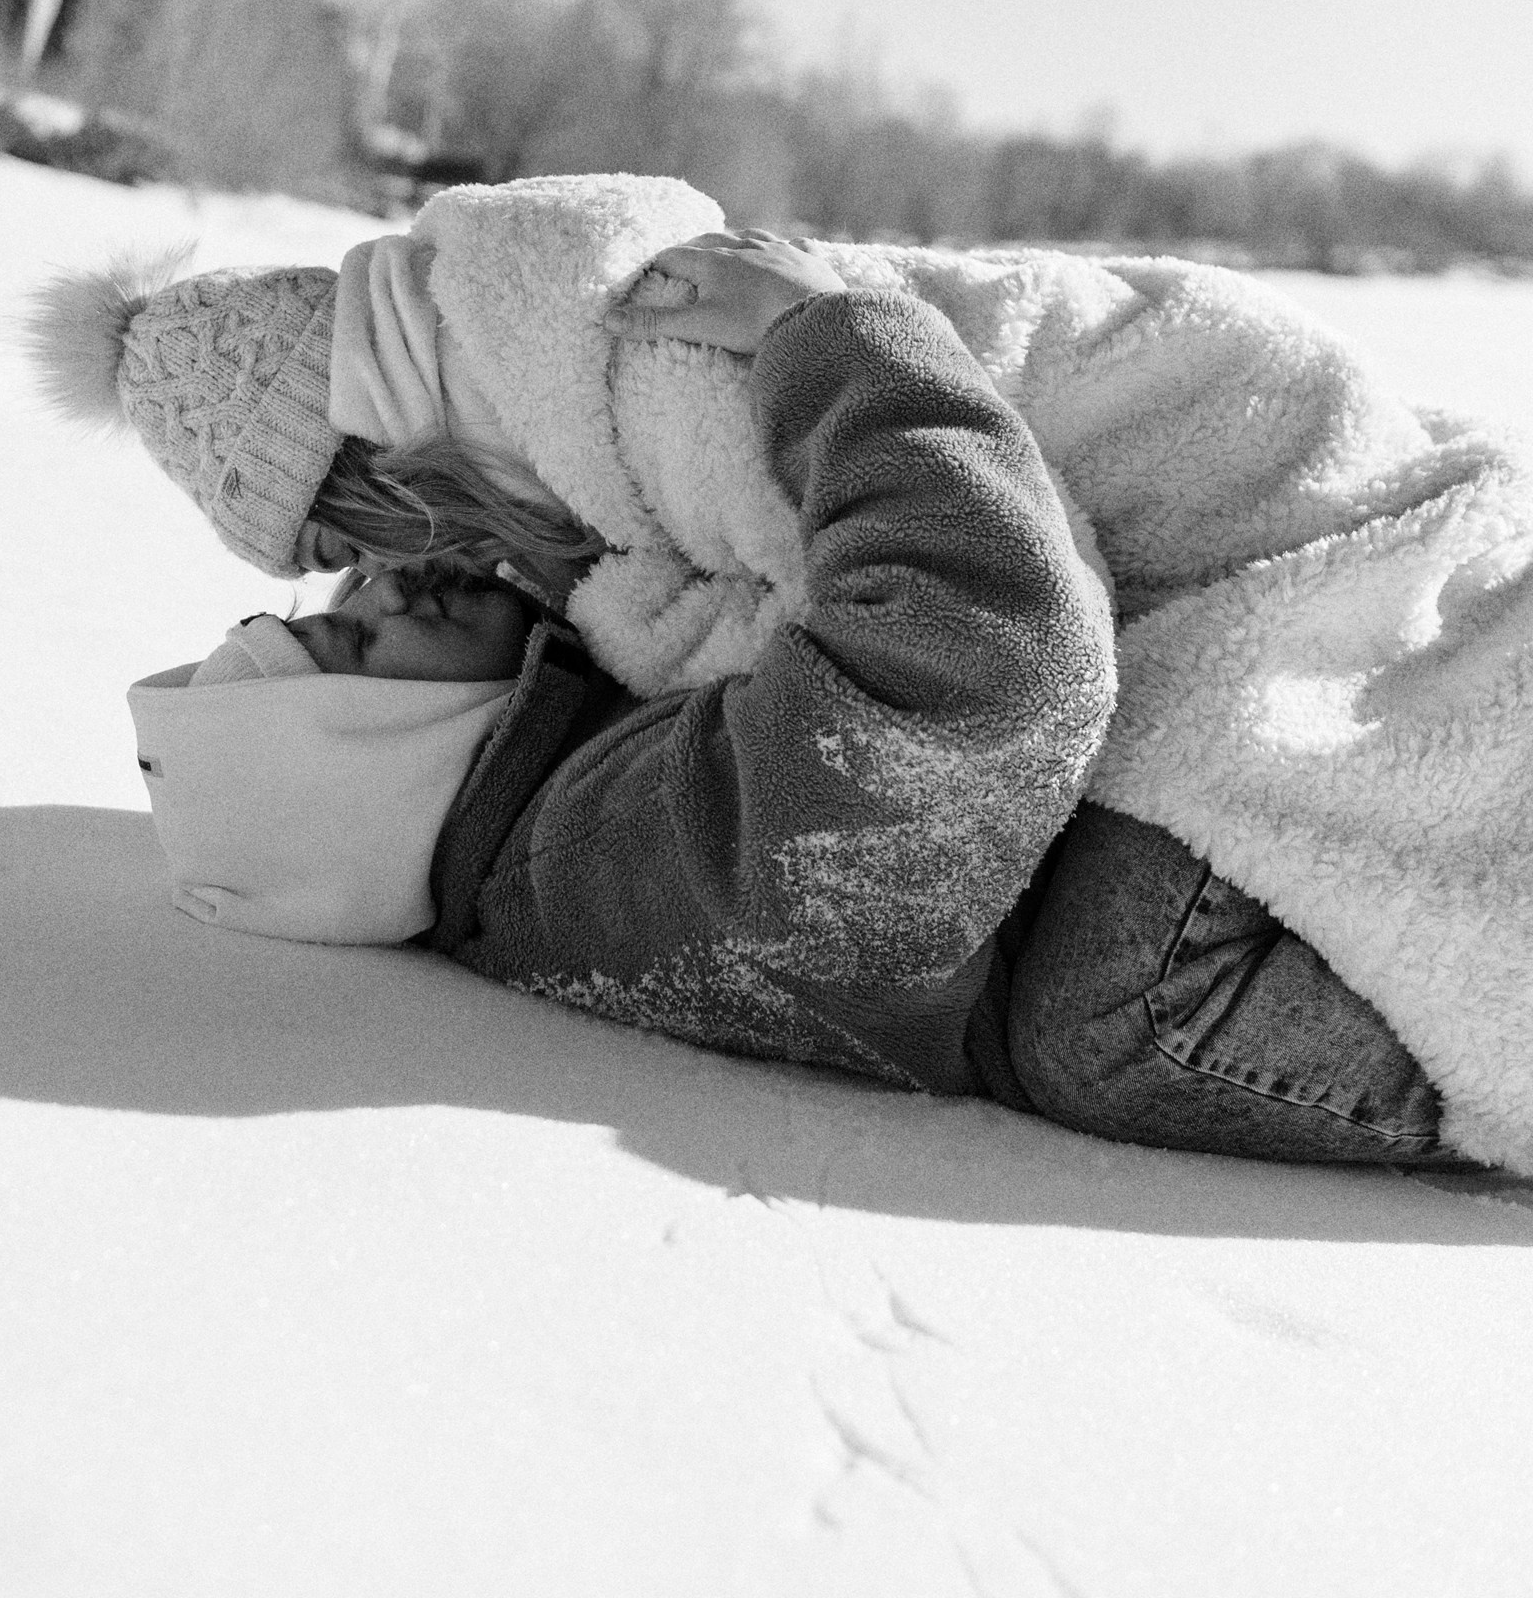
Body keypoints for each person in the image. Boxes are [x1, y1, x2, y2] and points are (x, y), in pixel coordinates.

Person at [106, 237, 1467, 1168]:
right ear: (372, 776)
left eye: (328, 603)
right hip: (1171, 968)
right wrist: (836, 344)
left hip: (1142, 916)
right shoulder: (604, 857)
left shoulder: (547, 806)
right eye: (348, 651)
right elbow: (977, 661)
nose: (384, 590)